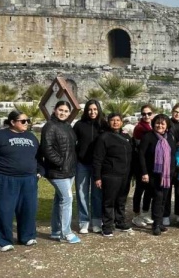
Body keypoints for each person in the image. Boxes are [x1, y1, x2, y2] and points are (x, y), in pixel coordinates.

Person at [0, 111, 42, 251]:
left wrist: (40, 172)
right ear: (12, 122)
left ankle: (27, 237)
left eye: (27, 120)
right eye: (23, 121)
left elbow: (39, 157)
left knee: (28, 209)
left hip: (28, 180)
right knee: (3, 209)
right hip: (4, 179)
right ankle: (3, 241)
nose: (26, 123)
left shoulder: (31, 137)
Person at [40, 101, 80, 243]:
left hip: (69, 170)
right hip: (57, 171)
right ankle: (66, 232)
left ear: (69, 113)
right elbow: (47, 149)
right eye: (60, 110)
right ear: (55, 110)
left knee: (59, 200)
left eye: (65, 111)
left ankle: (56, 231)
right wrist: (61, 163)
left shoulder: (67, 126)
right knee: (67, 199)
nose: (63, 113)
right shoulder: (49, 127)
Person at [92, 113, 133, 237]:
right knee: (109, 201)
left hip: (125, 174)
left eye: (118, 120)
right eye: (112, 120)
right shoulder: (104, 137)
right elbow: (97, 159)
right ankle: (107, 226)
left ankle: (120, 221)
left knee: (121, 200)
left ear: (121, 122)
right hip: (110, 174)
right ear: (108, 122)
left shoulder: (126, 137)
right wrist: (97, 177)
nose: (115, 122)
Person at [139, 114, 176, 236]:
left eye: (163, 124)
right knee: (158, 198)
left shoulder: (169, 137)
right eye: (158, 123)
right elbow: (141, 155)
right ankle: (155, 224)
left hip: (167, 175)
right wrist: (144, 172)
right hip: (153, 174)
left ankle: (160, 223)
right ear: (153, 124)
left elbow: (173, 155)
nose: (160, 126)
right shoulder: (148, 137)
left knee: (164, 199)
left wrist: (172, 171)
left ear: (167, 126)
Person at [73, 99, 106, 234]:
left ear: (99, 110)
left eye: (95, 109)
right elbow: (72, 143)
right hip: (82, 164)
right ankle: (84, 221)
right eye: (90, 109)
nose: (92, 112)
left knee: (97, 195)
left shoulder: (103, 125)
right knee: (82, 194)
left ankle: (97, 221)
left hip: (98, 166)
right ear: (86, 111)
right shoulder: (79, 125)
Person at [132, 104, 154, 228]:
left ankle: (145, 212)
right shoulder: (140, 128)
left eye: (149, 114)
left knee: (149, 189)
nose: (146, 116)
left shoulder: (152, 126)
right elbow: (140, 149)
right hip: (140, 163)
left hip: (151, 163)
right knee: (140, 189)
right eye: (144, 114)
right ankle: (136, 214)